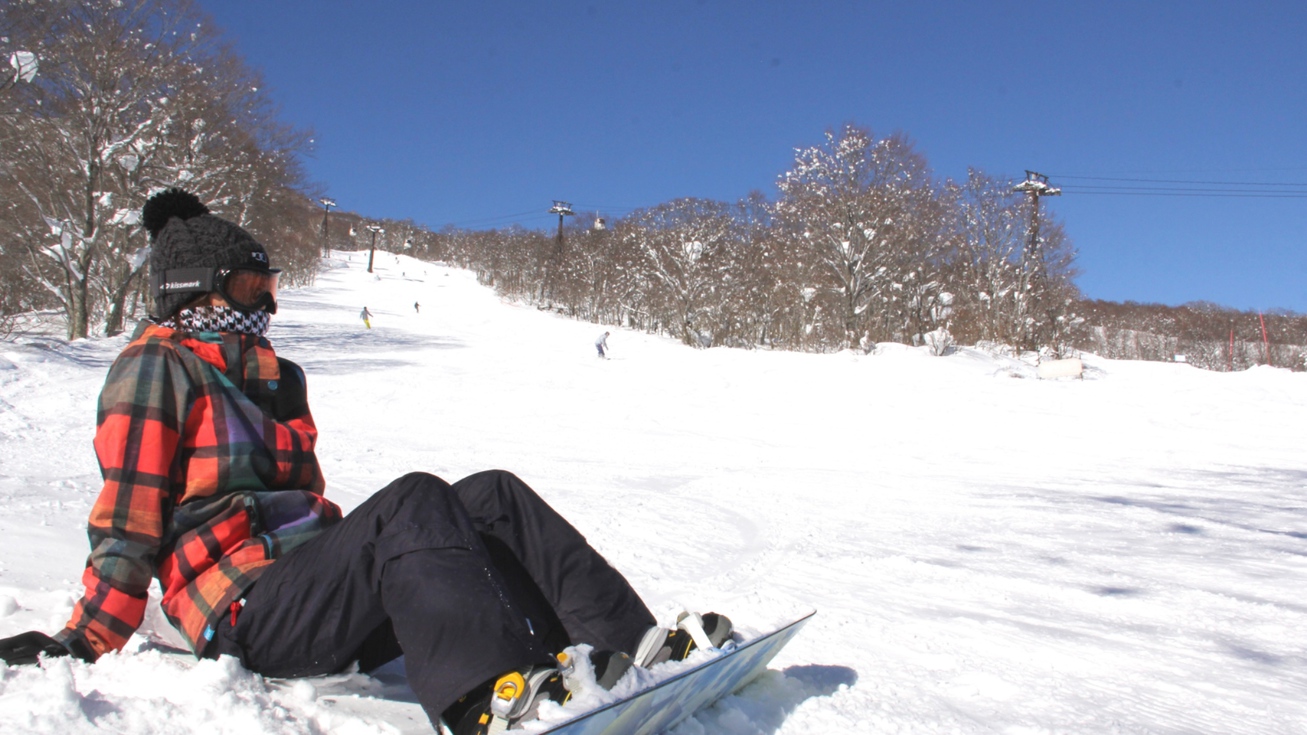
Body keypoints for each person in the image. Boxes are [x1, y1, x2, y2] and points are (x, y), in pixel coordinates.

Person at [0, 189, 729, 734]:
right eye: (252, 292)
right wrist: (87, 636)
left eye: (271, 290)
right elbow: (129, 516)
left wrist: (379, 564)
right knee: (412, 497)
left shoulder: (279, 379)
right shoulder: (155, 367)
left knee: (489, 496)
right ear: (198, 292)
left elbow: (313, 512)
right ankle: (490, 695)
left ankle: (635, 646)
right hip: (243, 610)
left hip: (312, 593)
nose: (269, 309)